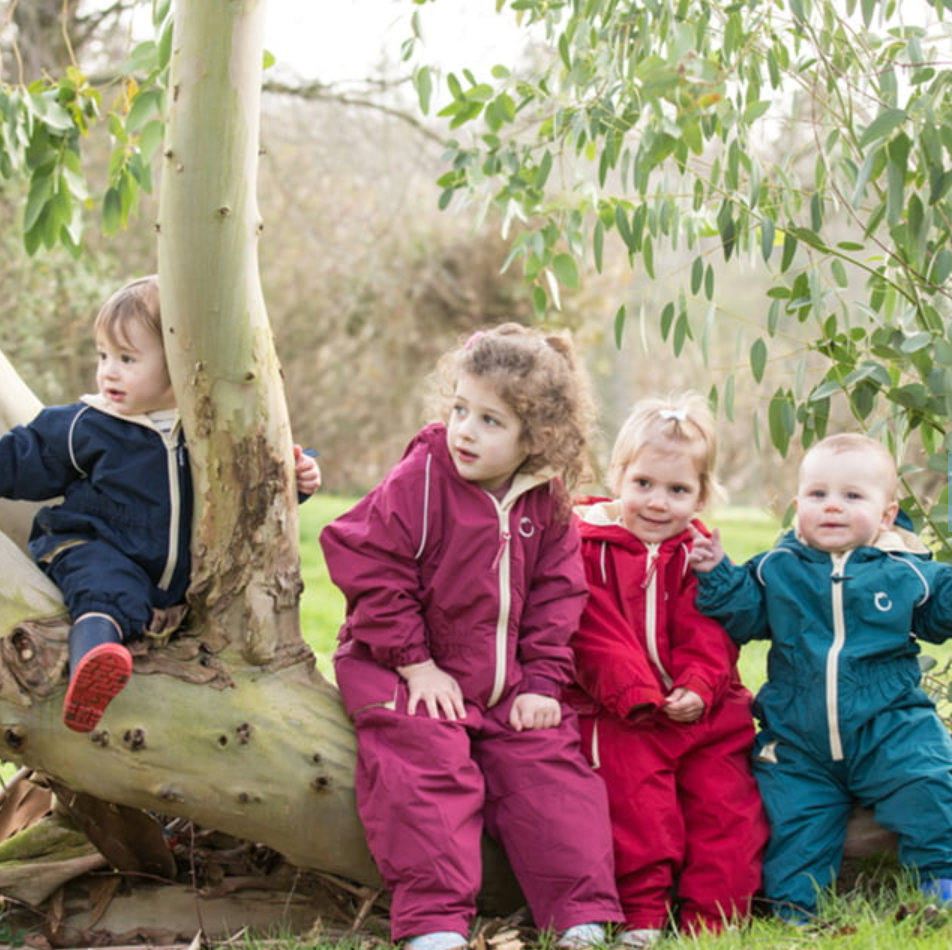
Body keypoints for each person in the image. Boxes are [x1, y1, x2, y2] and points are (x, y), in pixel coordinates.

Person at [320, 324, 623, 950]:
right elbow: (369, 561)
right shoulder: (421, 478)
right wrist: (414, 664)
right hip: (401, 665)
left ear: (535, 438)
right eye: (460, 409)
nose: (465, 430)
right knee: (424, 774)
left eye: (490, 420)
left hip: (505, 676)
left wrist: (540, 681)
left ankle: (578, 914)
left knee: (553, 775)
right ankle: (434, 923)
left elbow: (557, 597)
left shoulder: (547, 502)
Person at [0, 275, 321, 733]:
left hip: (174, 580)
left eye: (127, 359)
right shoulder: (88, 424)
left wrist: (300, 478)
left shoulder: (210, 430)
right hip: (94, 544)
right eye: (103, 356)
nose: (108, 371)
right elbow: (25, 458)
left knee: (155, 602)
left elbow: (257, 485)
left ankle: (120, 645)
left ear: (182, 361)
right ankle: (92, 661)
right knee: (106, 588)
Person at [690, 432, 952, 919]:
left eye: (852, 496)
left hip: (889, 722)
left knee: (929, 782)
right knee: (791, 823)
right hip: (798, 737)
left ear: (887, 515)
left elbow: (940, 613)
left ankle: (940, 876)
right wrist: (718, 573)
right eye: (818, 494)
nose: (832, 507)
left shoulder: (904, 570)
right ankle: (793, 906)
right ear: (797, 507)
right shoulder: (778, 568)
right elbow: (745, 614)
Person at [566, 393, 768, 945]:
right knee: (634, 804)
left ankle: (714, 919)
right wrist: (634, 692)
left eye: (678, 491)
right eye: (644, 485)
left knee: (728, 808)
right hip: (621, 709)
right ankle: (643, 912)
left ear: (701, 494)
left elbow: (710, 633)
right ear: (619, 476)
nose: (658, 503)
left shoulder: (695, 555)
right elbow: (590, 631)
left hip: (704, 711)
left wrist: (701, 686)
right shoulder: (586, 549)